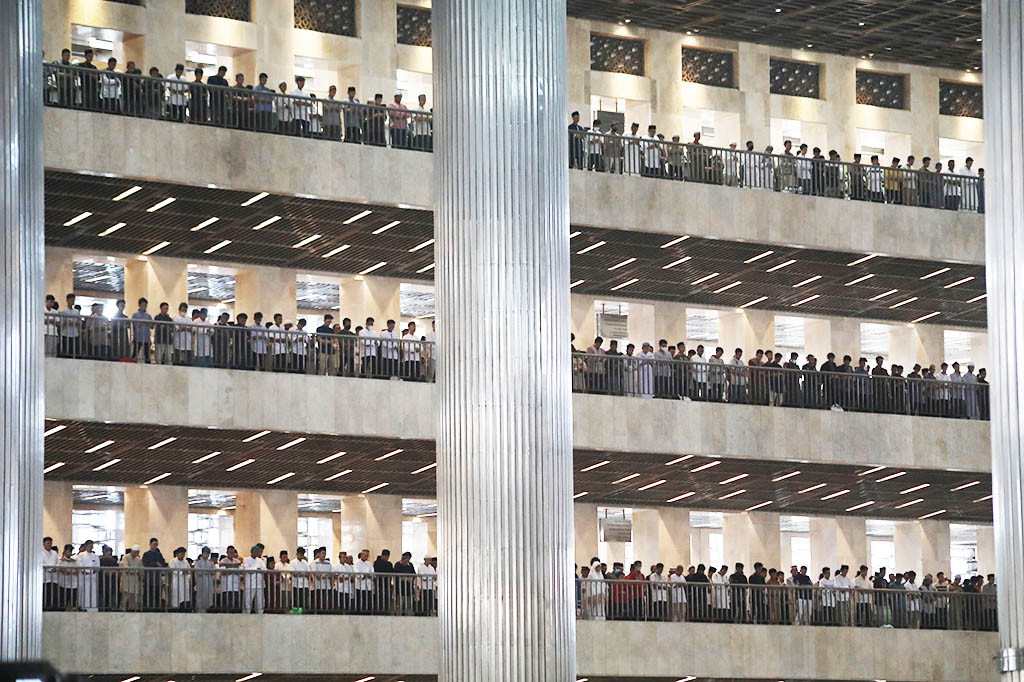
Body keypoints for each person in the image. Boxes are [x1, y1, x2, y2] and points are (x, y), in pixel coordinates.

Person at [74, 540, 100, 612]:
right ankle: (83, 607)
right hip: (84, 578)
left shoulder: (95, 556)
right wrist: (85, 571)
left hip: (93, 579)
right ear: (86, 546)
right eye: (89, 546)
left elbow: (97, 566)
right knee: (84, 593)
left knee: (93, 594)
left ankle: (93, 608)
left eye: (91, 546)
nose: (90, 547)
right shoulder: (81, 555)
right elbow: (80, 565)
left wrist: (94, 571)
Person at [141, 537, 166, 610]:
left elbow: (163, 563)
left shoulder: (159, 554)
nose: (155, 546)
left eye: (157, 545)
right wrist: (155, 564)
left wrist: (160, 564)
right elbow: (145, 564)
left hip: (157, 578)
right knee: (149, 595)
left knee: (157, 595)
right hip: (149, 578)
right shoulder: (146, 554)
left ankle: (157, 608)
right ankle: (147, 609)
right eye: (154, 544)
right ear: (150, 544)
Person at [242, 545, 266, 614]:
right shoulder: (246, 559)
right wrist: (256, 569)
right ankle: (246, 615)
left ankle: (260, 614)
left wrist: (255, 569)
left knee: (260, 601)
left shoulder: (260, 560)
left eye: (257, 552)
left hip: (259, 584)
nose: (256, 553)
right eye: (255, 552)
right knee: (247, 601)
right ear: (251, 552)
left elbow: (264, 569)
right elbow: (247, 569)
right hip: (249, 584)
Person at [218, 545, 243, 612]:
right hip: (226, 587)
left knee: (236, 606)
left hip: (236, 587)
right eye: (230, 552)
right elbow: (223, 572)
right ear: (227, 552)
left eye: (233, 552)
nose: (232, 554)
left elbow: (240, 572)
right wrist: (234, 568)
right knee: (227, 605)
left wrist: (229, 568)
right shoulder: (223, 561)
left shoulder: (237, 561)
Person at [167, 546, 191, 611]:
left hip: (184, 581)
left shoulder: (186, 561)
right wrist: (181, 572)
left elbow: (189, 570)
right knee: (176, 597)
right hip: (176, 581)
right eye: (181, 554)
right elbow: (172, 570)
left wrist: (187, 573)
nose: (182, 555)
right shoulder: (173, 561)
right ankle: (175, 609)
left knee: (184, 597)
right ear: (177, 554)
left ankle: (184, 608)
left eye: (183, 554)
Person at [193, 546, 216, 613]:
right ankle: (200, 611)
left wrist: (206, 571)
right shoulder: (198, 562)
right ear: (202, 553)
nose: (207, 555)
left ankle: (208, 610)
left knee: (208, 596)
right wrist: (207, 571)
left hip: (209, 582)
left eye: (208, 554)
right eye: (206, 553)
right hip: (201, 582)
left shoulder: (210, 562)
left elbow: (214, 571)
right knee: (200, 596)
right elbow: (198, 571)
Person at [130, 297, 153, 363]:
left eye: (145, 305)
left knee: (147, 356)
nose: (144, 307)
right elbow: (135, 325)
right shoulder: (135, 315)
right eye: (143, 305)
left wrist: (148, 322)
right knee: (135, 354)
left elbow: (152, 326)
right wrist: (142, 321)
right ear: (139, 305)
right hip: (138, 338)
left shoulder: (148, 315)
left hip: (146, 338)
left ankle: (148, 367)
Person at [312, 547, 334, 613]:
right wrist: (325, 576)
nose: (324, 555)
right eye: (322, 553)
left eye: (325, 553)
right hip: (318, 586)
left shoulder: (328, 563)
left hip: (327, 586)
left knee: (326, 602)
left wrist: (324, 576)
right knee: (318, 602)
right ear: (319, 554)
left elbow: (331, 574)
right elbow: (316, 575)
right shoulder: (315, 563)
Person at [374, 549, 395, 615]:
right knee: (380, 599)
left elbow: (392, 572)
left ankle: (385, 611)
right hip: (380, 584)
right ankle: (380, 612)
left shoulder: (388, 563)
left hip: (386, 584)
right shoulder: (378, 563)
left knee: (386, 599)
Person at [354, 549, 374, 614]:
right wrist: (364, 575)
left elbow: (372, 573)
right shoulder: (357, 563)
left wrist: (367, 575)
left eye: (367, 556)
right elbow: (357, 574)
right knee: (360, 603)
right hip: (360, 586)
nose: (366, 557)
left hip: (368, 586)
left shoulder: (369, 563)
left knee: (368, 603)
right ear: (361, 555)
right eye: (365, 556)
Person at [43, 537, 61, 610]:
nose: (49, 545)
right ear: (43, 544)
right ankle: (45, 608)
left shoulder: (54, 553)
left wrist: (56, 568)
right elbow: (41, 563)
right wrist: (50, 568)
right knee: (46, 594)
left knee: (54, 594)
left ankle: (54, 608)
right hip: (45, 578)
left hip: (54, 578)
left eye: (50, 543)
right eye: (48, 543)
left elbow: (58, 562)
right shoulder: (40, 552)